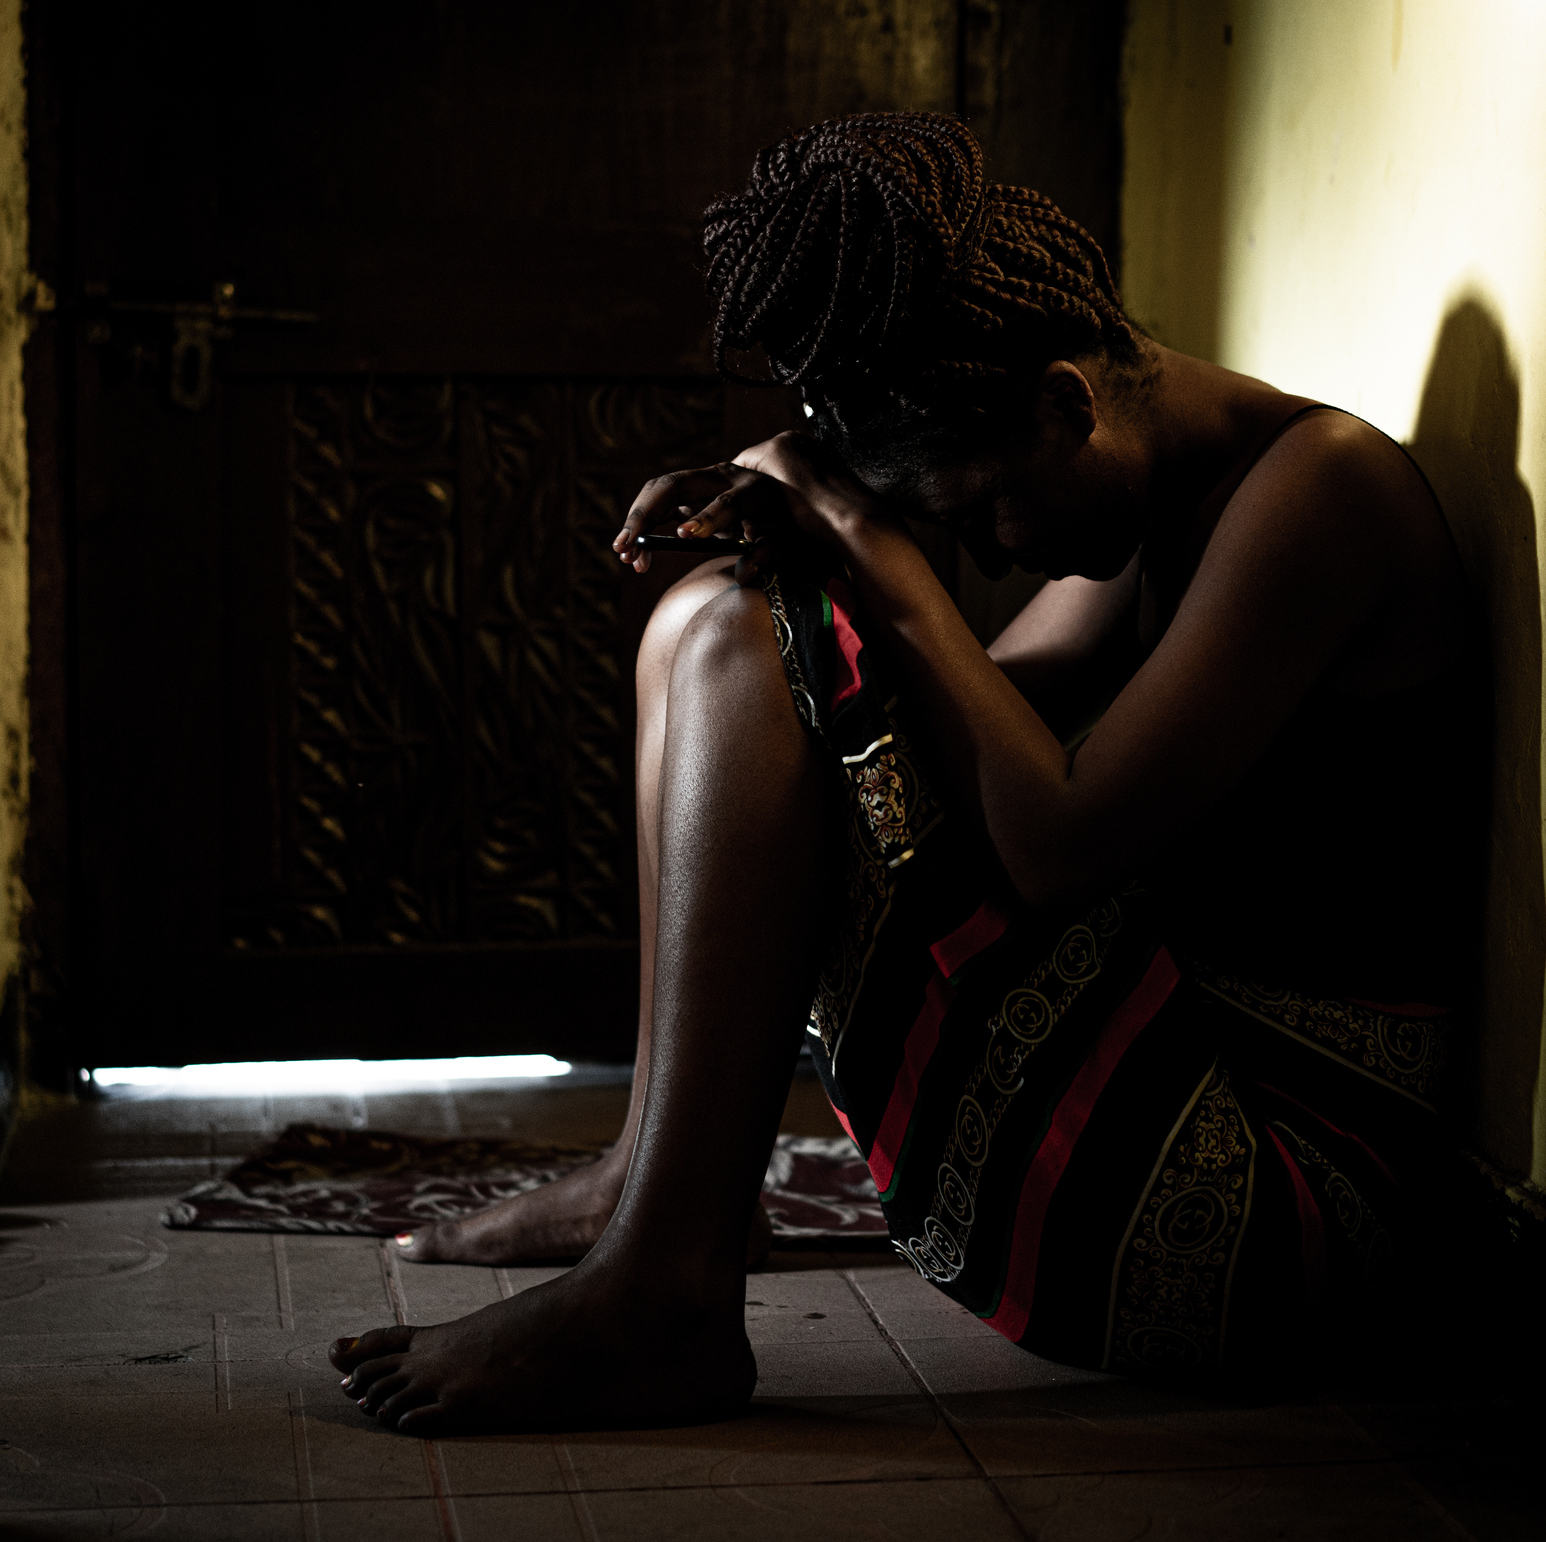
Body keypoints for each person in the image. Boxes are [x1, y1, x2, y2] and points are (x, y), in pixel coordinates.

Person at [330, 112, 1481, 1432]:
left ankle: (665, 1284)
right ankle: (647, 1186)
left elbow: (1052, 830)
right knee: (721, 622)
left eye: (979, 505)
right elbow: (974, 717)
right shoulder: (1159, 498)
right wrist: (806, 540)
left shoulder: (1321, 495)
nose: (988, 543)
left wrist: (871, 547)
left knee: (746, 656)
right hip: (1171, 1091)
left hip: (1273, 1208)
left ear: (1065, 400)